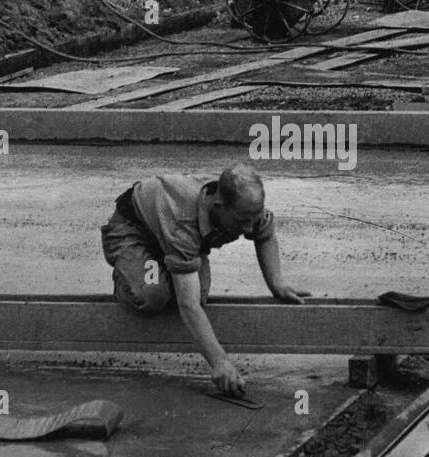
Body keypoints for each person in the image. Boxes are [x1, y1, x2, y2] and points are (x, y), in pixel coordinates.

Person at [100, 164, 310, 396]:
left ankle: (172, 262)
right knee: (152, 294)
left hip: (176, 238)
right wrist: (219, 362)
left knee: (198, 296)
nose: (249, 227)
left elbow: (265, 234)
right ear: (218, 207)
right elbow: (187, 306)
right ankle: (129, 270)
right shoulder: (183, 222)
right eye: (242, 221)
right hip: (136, 231)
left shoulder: (244, 205)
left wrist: (277, 284)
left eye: (253, 218)